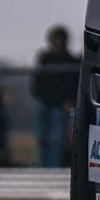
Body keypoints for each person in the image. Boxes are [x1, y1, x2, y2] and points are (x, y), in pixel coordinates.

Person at [31, 26, 80, 168]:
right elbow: (37, 80)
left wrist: (69, 101)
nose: (57, 42)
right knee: (42, 137)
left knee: (56, 139)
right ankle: (43, 165)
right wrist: (39, 95)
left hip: (60, 106)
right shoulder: (45, 58)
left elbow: (74, 85)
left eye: (59, 39)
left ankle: (52, 168)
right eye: (54, 39)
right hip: (43, 102)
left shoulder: (71, 61)